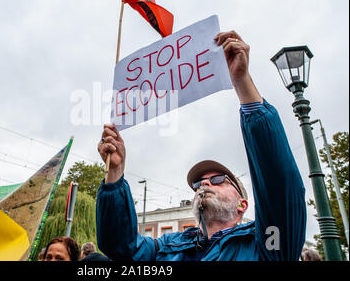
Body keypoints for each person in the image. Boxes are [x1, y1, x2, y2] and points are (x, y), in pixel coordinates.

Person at [96, 30, 307, 261]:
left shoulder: (268, 241)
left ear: (242, 204)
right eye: (198, 183)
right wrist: (114, 175)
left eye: (217, 180)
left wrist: (241, 81)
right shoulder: (167, 247)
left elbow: (279, 186)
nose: (203, 183)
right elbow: (121, 247)